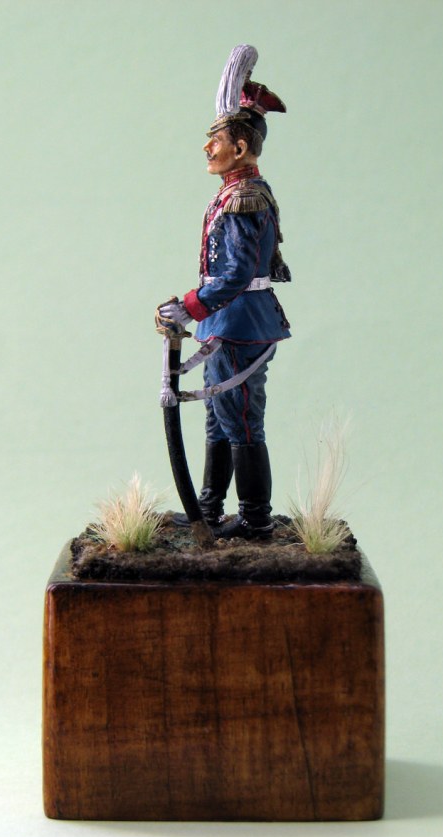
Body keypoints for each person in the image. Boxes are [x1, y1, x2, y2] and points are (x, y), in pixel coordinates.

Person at [159, 45, 290, 540]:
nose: (206, 148)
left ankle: (255, 519)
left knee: (241, 422)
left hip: (241, 323)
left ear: (239, 148)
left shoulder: (244, 198)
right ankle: (210, 509)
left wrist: (188, 308)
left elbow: (234, 274)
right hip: (229, 321)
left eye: (214, 140)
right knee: (219, 419)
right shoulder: (234, 193)